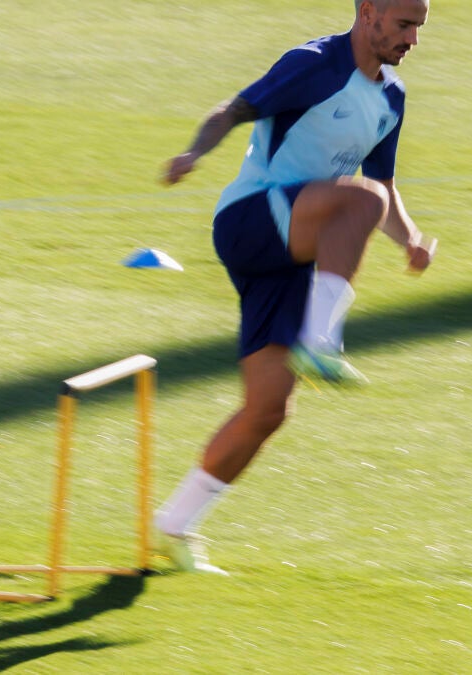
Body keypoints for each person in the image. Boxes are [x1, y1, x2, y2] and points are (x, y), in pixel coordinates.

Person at [156, 0, 436, 574]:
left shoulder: (392, 97)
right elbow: (234, 110)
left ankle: (175, 524)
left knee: (268, 409)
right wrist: (194, 152)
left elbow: (384, 185)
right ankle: (322, 341)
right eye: (404, 25)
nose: (413, 39)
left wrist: (409, 238)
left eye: (419, 28)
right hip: (251, 219)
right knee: (360, 200)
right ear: (368, 11)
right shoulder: (314, 63)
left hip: (295, 248)